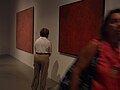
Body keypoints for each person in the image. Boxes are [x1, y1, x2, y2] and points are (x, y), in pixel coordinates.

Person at [70, 8, 120, 90]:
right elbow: (76, 72)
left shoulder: (117, 51)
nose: (119, 25)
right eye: (114, 21)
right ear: (106, 26)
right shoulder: (96, 45)